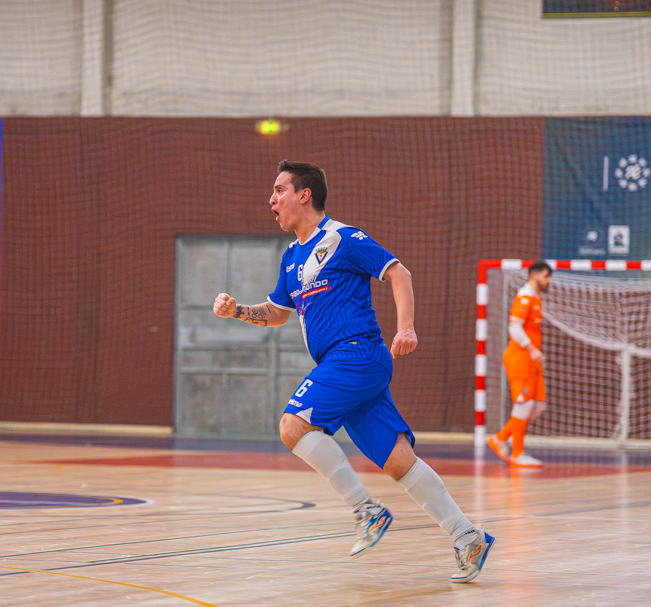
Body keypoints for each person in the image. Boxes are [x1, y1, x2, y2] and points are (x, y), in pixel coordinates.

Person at [213, 160, 494, 583]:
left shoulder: (343, 239)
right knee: (398, 461)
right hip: (345, 365)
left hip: (356, 354)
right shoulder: (291, 257)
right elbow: (277, 313)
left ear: (304, 195)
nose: (271, 200)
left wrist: (406, 328)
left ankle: (367, 511)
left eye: (279, 190)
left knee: (293, 426)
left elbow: (399, 273)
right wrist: (237, 311)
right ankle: (468, 536)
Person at [486, 260, 552, 468]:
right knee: (524, 405)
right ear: (533, 275)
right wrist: (532, 349)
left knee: (538, 405)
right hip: (520, 357)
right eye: (546, 276)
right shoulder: (525, 296)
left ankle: (500, 438)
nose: (549, 281)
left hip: (531, 359)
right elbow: (514, 327)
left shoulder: (536, 297)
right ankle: (517, 453)